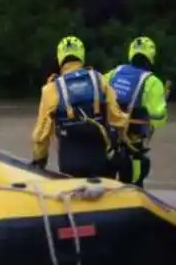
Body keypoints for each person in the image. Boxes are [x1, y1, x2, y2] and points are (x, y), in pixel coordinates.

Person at [31, 36, 127, 177]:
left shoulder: (51, 89)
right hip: (101, 162)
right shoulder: (100, 80)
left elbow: (41, 135)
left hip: (70, 164)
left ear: (60, 58)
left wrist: (39, 161)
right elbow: (118, 119)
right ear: (82, 55)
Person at [105, 36, 168, 187]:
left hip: (109, 141)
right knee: (134, 184)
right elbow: (159, 119)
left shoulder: (113, 73)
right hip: (133, 144)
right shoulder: (152, 82)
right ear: (151, 57)